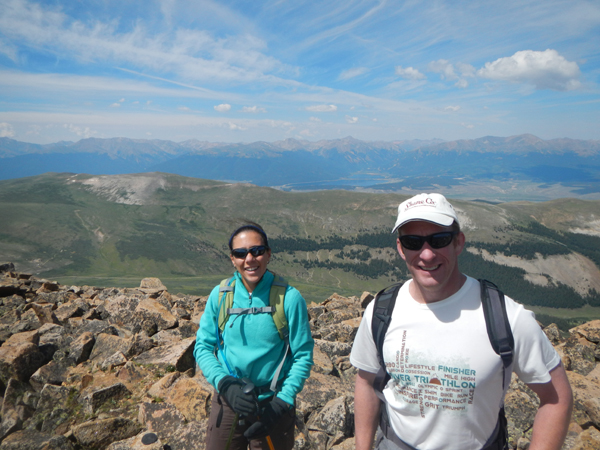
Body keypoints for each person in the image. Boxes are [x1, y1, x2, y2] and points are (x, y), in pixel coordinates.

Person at [350, 193, 573, 450]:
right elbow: (366, 381)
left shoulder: (506, 317)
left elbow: (557, 397)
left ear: (459, 243)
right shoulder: (381, 310)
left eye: (439, 240)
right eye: (413, 242)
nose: (427, 254)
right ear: (401, 248)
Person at [194, 222, 314, 450]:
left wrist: (282, 403)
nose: (249, 259)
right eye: (240, 253)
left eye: (256, 251)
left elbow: (303, 355)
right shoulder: (220, 295)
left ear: (268, 254)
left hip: (273, 404)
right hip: (229, 400)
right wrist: (225, 384)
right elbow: (203, 346)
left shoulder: (289, 298)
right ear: (232, 259)